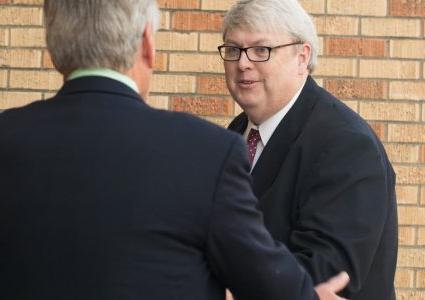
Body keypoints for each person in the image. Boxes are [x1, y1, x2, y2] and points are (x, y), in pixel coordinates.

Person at [0, 1, 349, 299]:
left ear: (54, 46)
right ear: (147, 44)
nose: (244, 63)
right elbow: (264, 280)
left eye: (261, 50)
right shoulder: (206, 151)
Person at [220, 0, 398, 299]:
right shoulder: (237, 133)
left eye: (261, 50)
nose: (243, 63)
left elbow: (325, 275)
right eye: (234, 49)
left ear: (302, 57)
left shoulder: (346, 144)